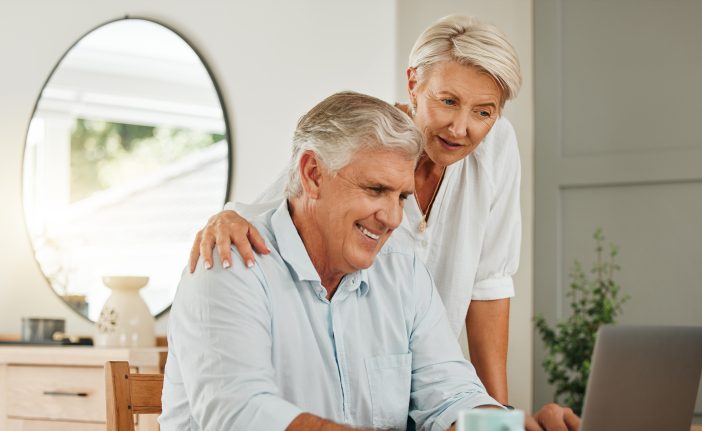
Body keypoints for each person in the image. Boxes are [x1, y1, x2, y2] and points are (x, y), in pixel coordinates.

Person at [145, 92, 578, 431]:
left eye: (402, 197)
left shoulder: (403, 272)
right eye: (375, 190)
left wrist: (507, 428)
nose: (392, 218)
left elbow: (450, 395)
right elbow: (243, 429)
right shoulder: (229, 263)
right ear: (312, 173)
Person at [188, 15, 522, 406]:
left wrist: (502, 423)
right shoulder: (370, 140)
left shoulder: (497, 147)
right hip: (367, 389)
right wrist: (226, 218)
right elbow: (284, 202)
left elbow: (489, 282)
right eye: (448, 101)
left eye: (484, 112)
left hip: (436, 388)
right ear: (414, 83)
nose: (461, 128)